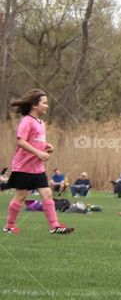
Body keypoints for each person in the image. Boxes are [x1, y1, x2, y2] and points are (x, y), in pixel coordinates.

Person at [3, 89, 74, 235]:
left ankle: (55, 226)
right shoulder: (27, 121)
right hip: (23, 167)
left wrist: (46, 146)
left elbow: (36, 141)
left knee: (47, 194)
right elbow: (20, 141)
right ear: (35, 105)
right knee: (21, 196)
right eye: (45, 103)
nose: (47, 106)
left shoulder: (41, 123)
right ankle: (9, 226)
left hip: (37, 168)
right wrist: (38, 152)